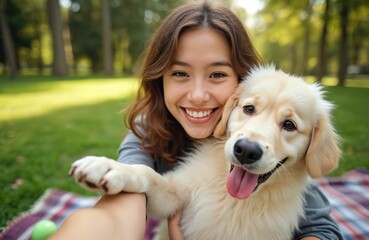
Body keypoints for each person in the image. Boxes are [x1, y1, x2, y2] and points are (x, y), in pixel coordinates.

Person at [51, 2, 343, 240]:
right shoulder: (147, 130)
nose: (199, 95)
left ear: (237, 79)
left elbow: (322, 228)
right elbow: (126, 204)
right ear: (160, 78)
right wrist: (125, 175)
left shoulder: (288, 173)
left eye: (217, 74)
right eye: (180, 73)